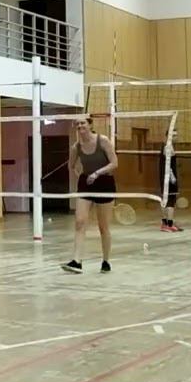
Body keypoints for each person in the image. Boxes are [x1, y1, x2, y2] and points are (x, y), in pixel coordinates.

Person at [63, 117, 118, 274]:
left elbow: (114, 163)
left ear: (90, 125)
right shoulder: (76, 147)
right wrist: (80, 175)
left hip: (105, 183)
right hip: (86, 183)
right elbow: (71, 165)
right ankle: (76, 261)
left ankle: (106, 261)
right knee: (80, 222)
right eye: (77, 124)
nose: (80, 126)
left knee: (103, 227)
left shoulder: (103, 141)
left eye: (83, 123)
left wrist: (97, 173)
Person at [158, 130, 182, 232]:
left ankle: (165, 223)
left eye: (176, 135)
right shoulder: (168, 147)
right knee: (170, 201)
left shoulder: (166, 146)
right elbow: (168, 166)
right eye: (173, 135)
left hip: (165, 177)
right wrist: (172, 178)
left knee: (165, 200)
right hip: (169, 178)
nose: (175, 137)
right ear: (168, 136)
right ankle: (169, 224)